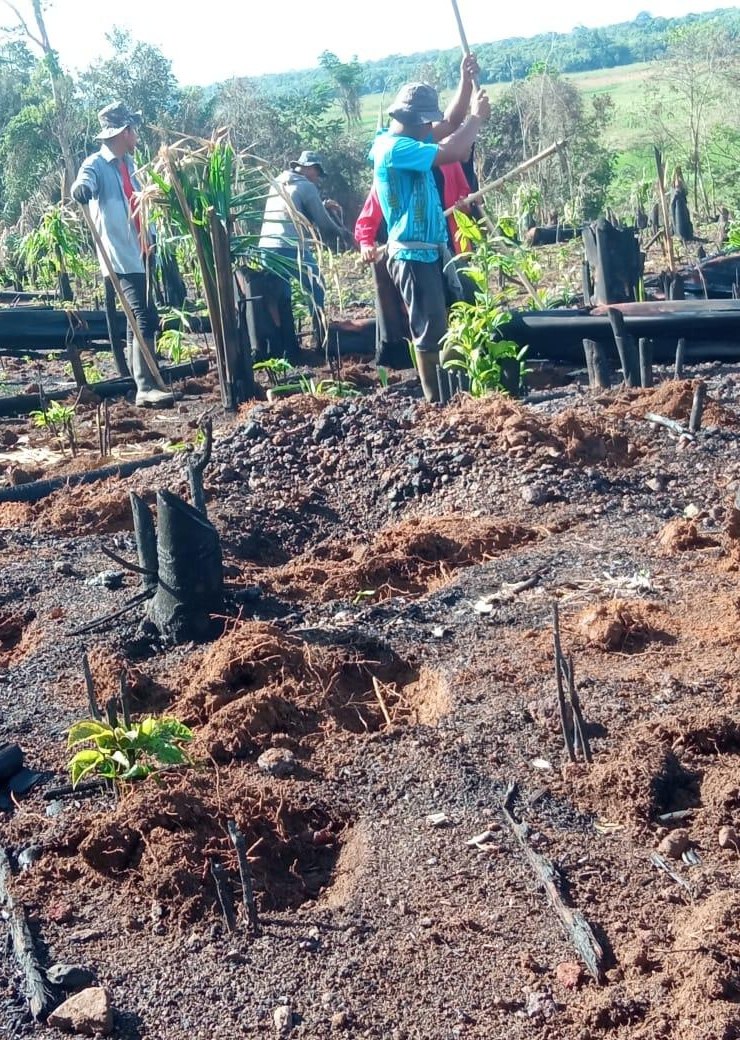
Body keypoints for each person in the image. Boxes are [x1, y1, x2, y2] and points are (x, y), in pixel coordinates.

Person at [370, 59, 490, 402]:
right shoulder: (396, 149)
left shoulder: (406, 138)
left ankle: (456, 395)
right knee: (430, 329)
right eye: (428, 122)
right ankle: (437, 402)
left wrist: (465, 83)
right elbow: (456, 147)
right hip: (412, 253)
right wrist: (478, 117)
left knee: (449, 321)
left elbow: (451, 123)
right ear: (416, 122)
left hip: (431, 249)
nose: (432, 127)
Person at [71, 102, 174, 407]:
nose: (136, 134)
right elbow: (83, 181)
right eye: (134, 129)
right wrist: (81, 189)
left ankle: (147, 380)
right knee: (141, 314)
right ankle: (145, 386)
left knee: (139, 317)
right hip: (120, 255)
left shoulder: (129, 164)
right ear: (124, 131)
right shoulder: (96, 165)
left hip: (141, 250)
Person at [259, 150, 354, 345]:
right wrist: (343, 233)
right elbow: (324, 224)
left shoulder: (277, 181)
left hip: (266, 246)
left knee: (281, 295)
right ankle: (320, 338)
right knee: (316, 286)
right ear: (309, 168)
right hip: (290, 246)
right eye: (317, 172)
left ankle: (286, 345)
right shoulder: (306, 186)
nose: (318, 178)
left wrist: (322, 205)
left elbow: (294, 211)